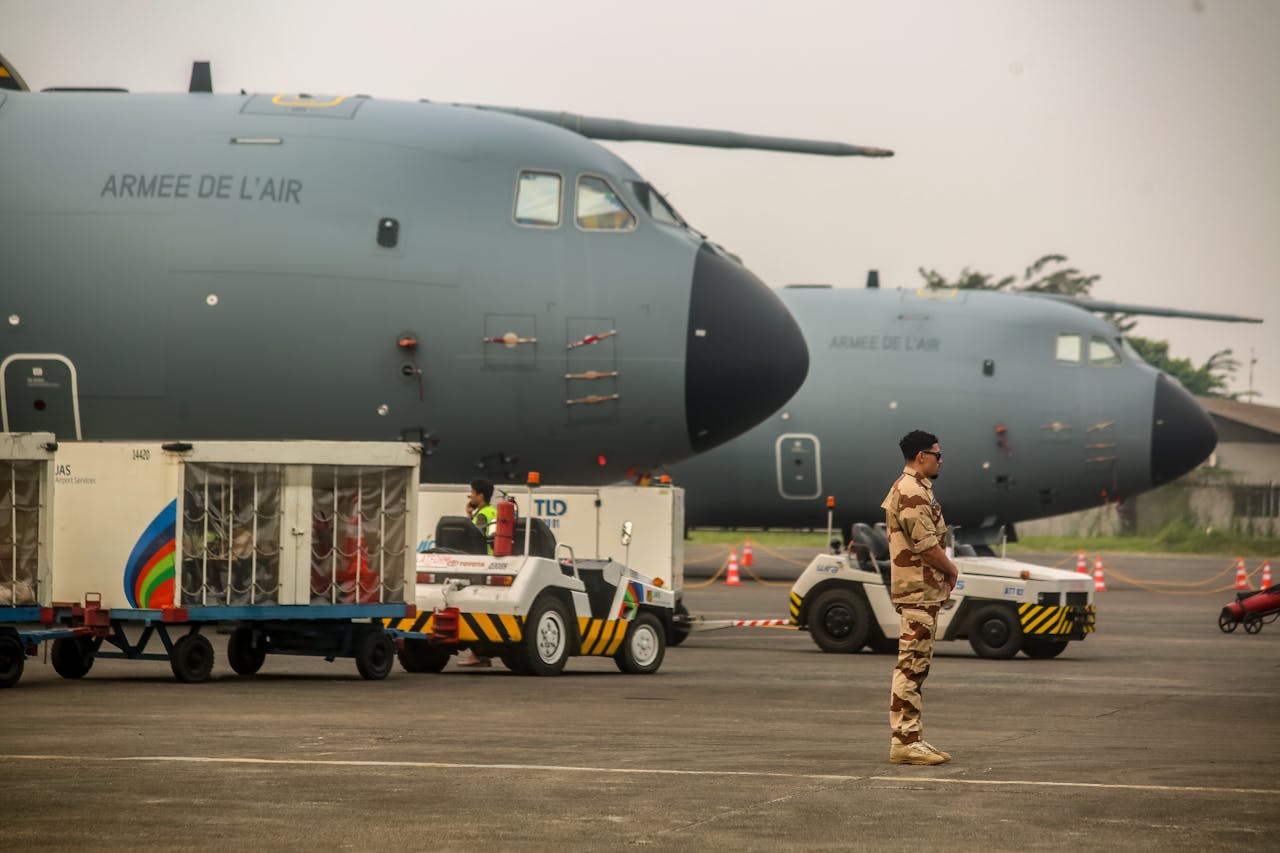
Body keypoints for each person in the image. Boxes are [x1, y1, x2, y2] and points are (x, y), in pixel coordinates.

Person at [882, 429, 960, 766]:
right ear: (921, 457)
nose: (941, 460)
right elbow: (926, 545)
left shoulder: (917, 489)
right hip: (917, 590)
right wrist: (952, 571)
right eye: (937, 454)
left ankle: (912, 737)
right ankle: (904, 742)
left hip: (923, 591)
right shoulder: (912, 492)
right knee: (911, 666)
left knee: (917, 666)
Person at [457, 478, 498, 668]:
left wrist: (468, 517)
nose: (470, 496)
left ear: (480, 495)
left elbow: (473, 537)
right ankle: (479, 654)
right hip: (489, 561)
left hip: (481, 563)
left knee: (472, 607)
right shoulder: (491, 512)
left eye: (472, 493)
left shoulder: (483, 515)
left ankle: (478, 655)